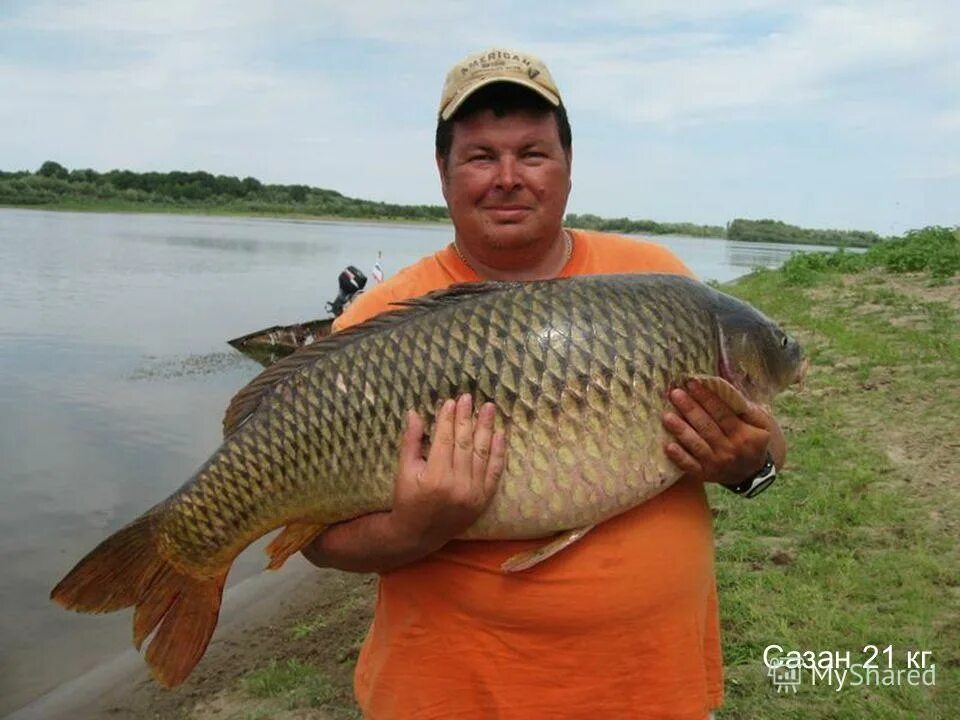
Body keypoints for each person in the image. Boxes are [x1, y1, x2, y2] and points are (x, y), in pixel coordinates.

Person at [302, 48, 786, 720]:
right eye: (480, 156)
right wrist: (417, 528)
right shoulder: (376, 322)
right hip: (449, 700)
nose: (508, 178)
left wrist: (749, 467)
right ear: (443, 172)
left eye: (532, 153)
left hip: (653, 693)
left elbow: (766, 451)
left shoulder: (658, 281)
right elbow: (316, 542)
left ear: (566, 165)